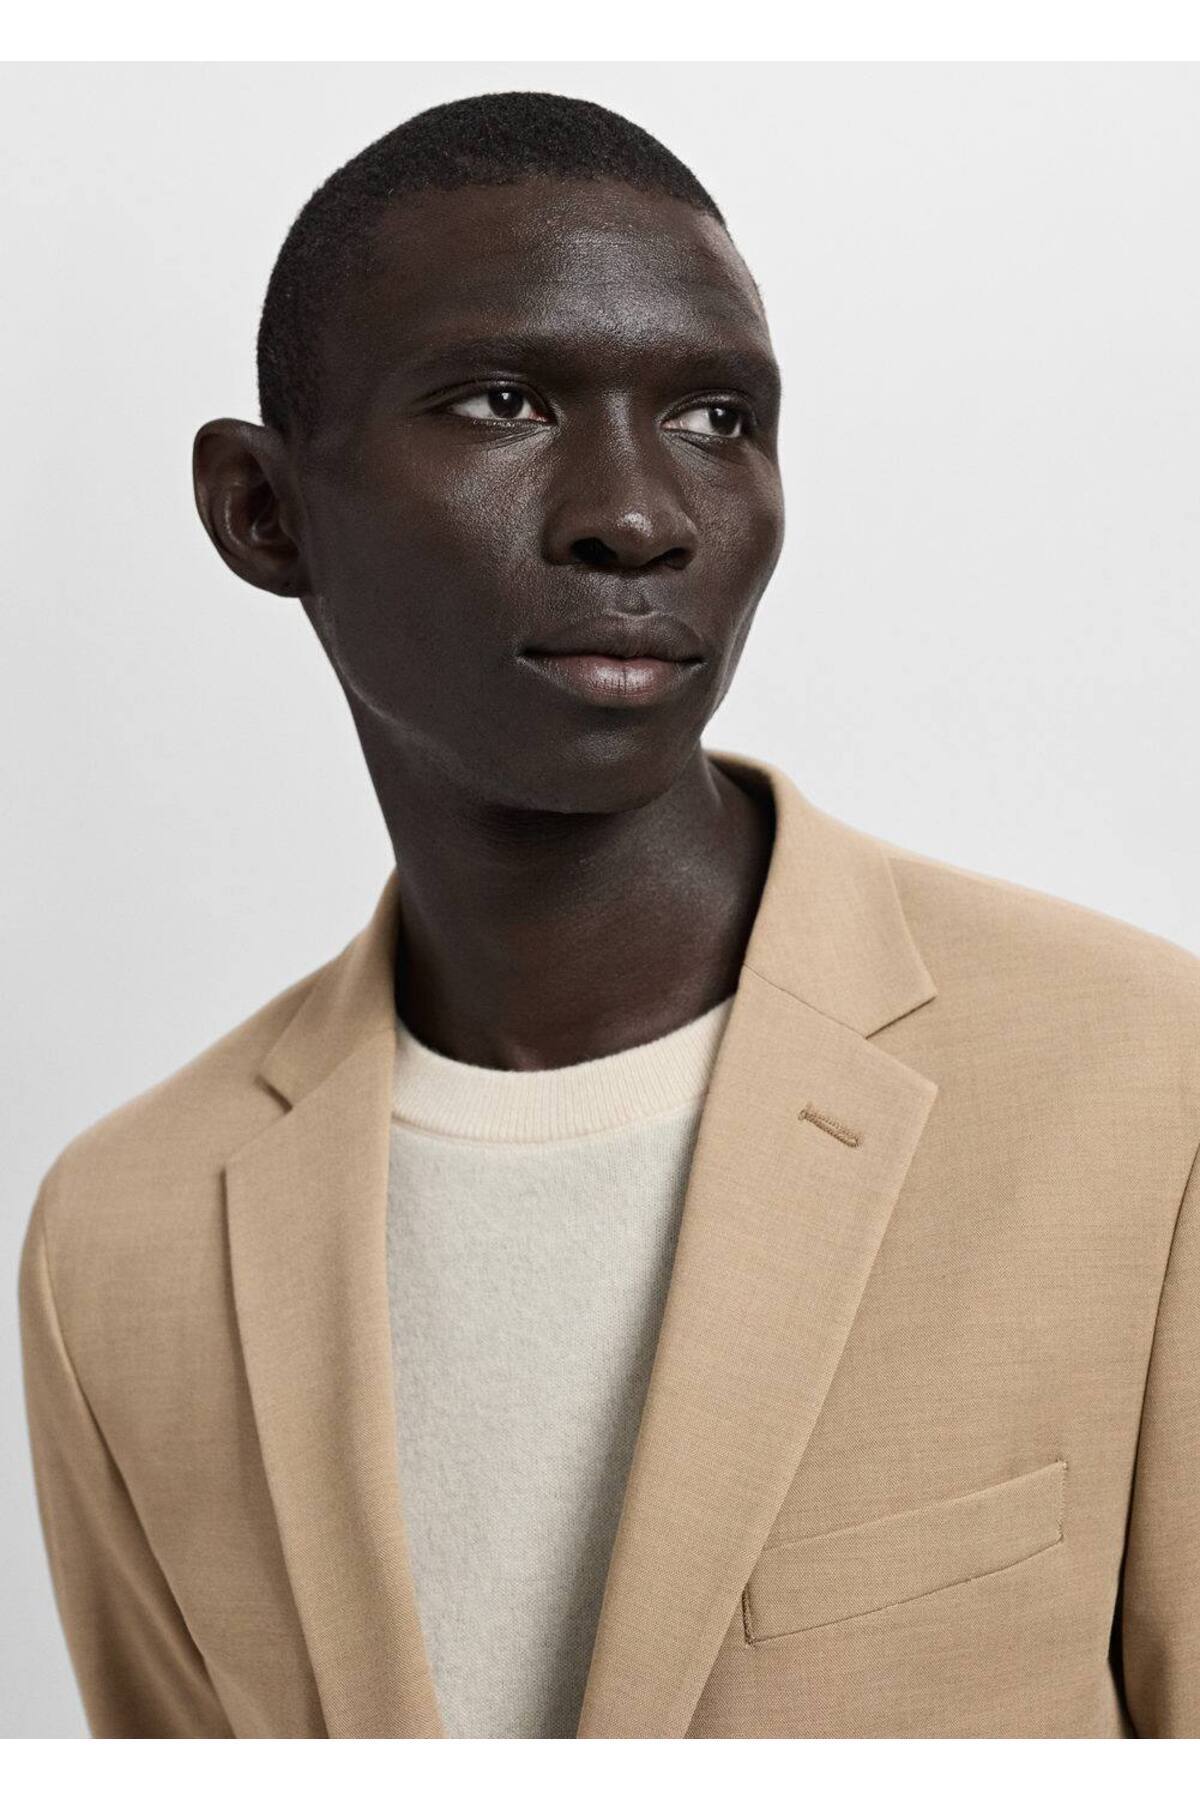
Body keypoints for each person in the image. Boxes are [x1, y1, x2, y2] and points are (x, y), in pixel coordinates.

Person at [17, 90, 1200, 1741]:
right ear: (262, 511)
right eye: (505, 401)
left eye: (716, 417)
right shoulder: (123, 1240)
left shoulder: (1142, 1087)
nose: (637, 517)